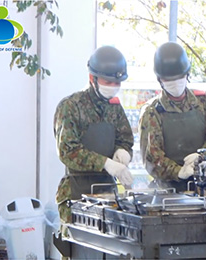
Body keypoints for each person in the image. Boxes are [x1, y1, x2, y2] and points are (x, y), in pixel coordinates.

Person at [54, 46, 134, 239]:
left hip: (108, 193)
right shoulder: (71, 106)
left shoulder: (115, 108)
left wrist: (122, 152)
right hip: (76, 192)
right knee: (77, 249)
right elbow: (68, 151)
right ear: (92, 79)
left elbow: (125, 139)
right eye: (109, 81)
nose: (113, 86)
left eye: (117, 82)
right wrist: (105, 163)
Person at [139, 41, 206, 193]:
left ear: (187, 75)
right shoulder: (152, 111)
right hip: (170, 192)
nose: (175, 84)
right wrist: (179, 171)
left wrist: (201, 158)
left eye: (179, 78)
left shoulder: (204, 102)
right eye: (168, 80)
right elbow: (152, 157)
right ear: (160, 80)